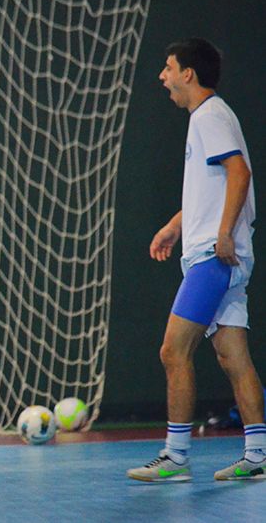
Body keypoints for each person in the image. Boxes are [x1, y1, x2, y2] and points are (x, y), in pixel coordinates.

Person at [127, 38, 264, 482]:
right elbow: (215, 186)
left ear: (189, 73)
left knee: (173, 350)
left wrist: (223, 234)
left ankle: (176, 455)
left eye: (168, 68)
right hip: (220, 253)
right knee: (232, 358)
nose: (162, 77)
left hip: (214, 256)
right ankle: (259, 454)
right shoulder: (209, 118)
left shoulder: (209, 115)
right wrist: (174, 226)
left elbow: (239, 171)